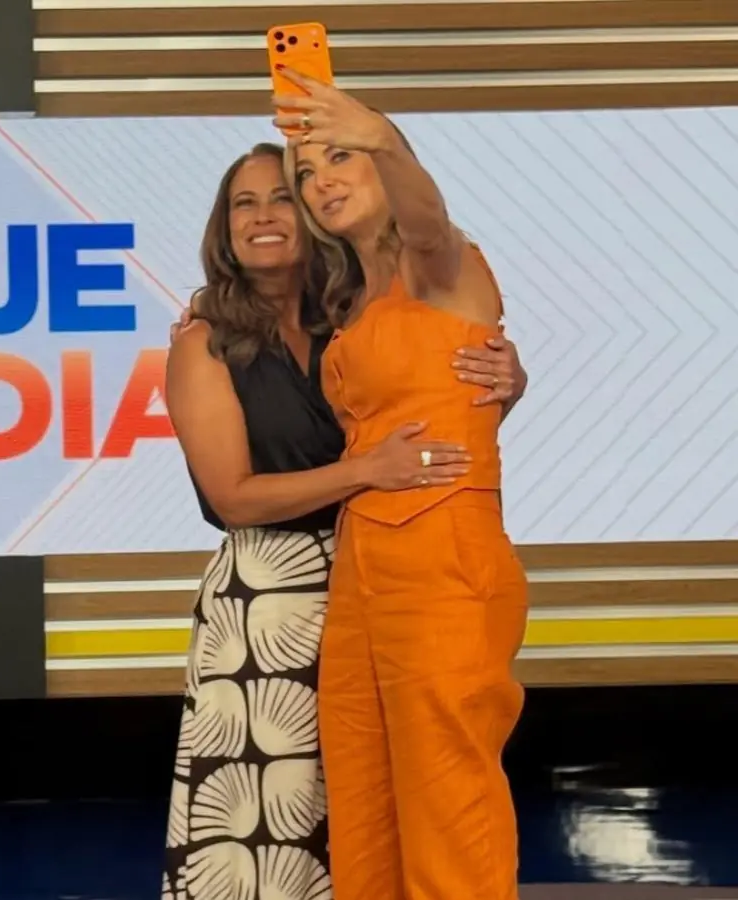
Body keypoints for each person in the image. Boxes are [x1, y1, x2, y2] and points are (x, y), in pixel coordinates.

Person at [161, 142, 527, 900]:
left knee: (373, 810)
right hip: (266, 608)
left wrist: (506, 381)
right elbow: (233, 497)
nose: (265, 215)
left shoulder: (353, 318)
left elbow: (425, 411)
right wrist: (365, 472)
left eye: (283, 195)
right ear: (222, 229)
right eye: (244, 203)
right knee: (261, 826)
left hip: (374, 576)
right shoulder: (203, 340)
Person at [274, 69, 530, 899]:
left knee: (447, 794)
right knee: (364, 795)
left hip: (443, 556)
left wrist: (379, 133)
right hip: (365, 563)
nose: (321, 181)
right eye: (307, 172)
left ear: (389, 161)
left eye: (340, 156)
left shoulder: (439, 263)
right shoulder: (352, 299)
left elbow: (427, 221)